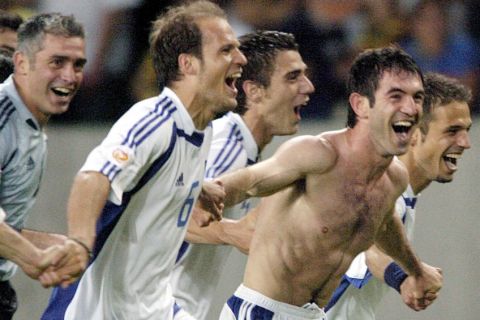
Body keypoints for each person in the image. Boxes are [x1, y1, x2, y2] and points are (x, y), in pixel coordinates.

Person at [41, 1, 246, 319]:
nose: (241, 58)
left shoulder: (199, 129)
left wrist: (195, 189)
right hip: (99, 311)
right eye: (226, 50)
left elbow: (156, 177)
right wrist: (80, 244)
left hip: (153, 306)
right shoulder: (153, 120)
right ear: (188, 64)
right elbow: (94, 176)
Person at [216, 46, 443, 320]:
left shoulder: (393, 178)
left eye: (417, 97)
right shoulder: (318, 154)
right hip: (261, 312)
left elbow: (383, 222)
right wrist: (199, 191)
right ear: (360, 105)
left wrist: (414, 270)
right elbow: (249, 182)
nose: (411, 108)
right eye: (396, 96)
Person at [170, 30, 315, 320]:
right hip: (158, 304)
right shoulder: (228, 147)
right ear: (254, 91)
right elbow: (171, 212)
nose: (308, 87)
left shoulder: (245, 149)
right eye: (292, 77)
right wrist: (234, 231)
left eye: (304, 75)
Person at [325, 72, 472, 319]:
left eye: (466, 130)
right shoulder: (384, 190)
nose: (465, 142)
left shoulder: (396, 191)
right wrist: (405, 279)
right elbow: (370, 251)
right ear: (414, 134)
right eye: (452, 131)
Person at [0, 12, 86, 320]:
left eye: (78, 65)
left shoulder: (29, 120)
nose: (70, 75)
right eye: (57, 62)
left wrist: (50, 243)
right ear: (22, 63)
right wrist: (32, 257)